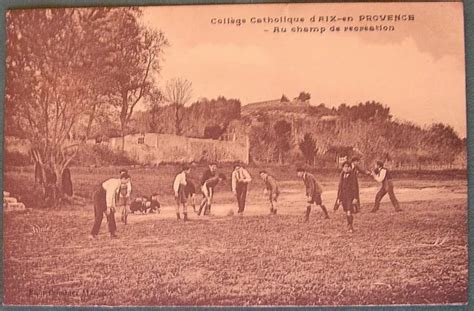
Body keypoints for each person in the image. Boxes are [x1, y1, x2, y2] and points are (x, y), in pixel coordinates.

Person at [90, 172, 131, 239]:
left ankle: (112, 233)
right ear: (123, 178)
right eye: (126, 181)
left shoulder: (118, 184)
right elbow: (109, 195)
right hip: (99, 197)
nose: (126, 183)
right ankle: (93, 234)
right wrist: (108, 207)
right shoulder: (114, 183)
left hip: (104, 197)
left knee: (111, 214)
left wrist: (113, 206)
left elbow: (113, 197)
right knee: (99, 216)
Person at [335, 161, 359, 233]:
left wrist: (355, 197)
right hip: (343, 196)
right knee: (346, 211)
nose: (345, 168)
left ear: (349, 168)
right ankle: (349, 224)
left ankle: (350, 226)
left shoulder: (353, 175)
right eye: (344, 167)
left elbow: (355, 187)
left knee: (349, 211)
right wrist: (339, 198)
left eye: (347, 167)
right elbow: (340, 187)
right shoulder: (342, 175)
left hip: (350, 196)